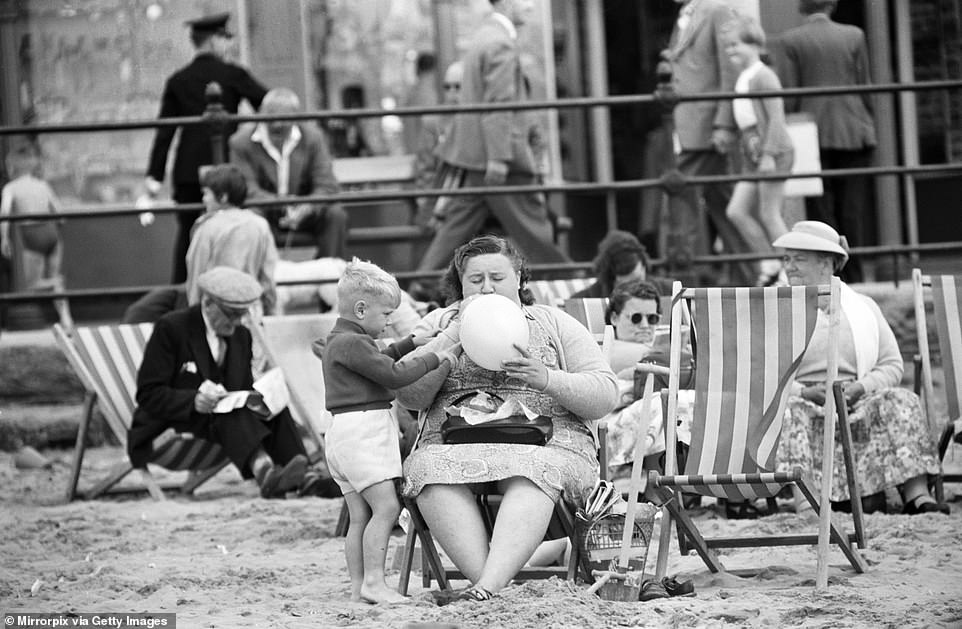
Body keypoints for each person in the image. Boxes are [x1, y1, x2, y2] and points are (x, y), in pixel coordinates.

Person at [397, 235, 619, 601]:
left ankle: (485, 587)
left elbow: (605, 394)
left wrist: (547, 378)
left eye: (497, 278)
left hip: (548, 443)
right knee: (427, 469)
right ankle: (488, 586)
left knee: (532, 471)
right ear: (461, 284)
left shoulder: (553, 322)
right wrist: (453, 337)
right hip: (456, 442)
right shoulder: (441, 324)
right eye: (475, 280)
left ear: (519, 278)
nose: (487, 288)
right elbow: (408, 394)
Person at [772, 221, 948, 515]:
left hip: (856, 397)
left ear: (826, 264)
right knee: (790, 413)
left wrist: (860, 388)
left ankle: (917, 496)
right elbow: (765, 376)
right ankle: (807, 503)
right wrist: (805, 391)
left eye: (799, 258)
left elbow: (892, 365)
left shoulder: (863, 306)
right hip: (804, 400)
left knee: (902, 400)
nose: (790, 267)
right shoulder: (777, 309)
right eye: (787, 259)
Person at [319, 259, 457, 604]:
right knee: (386, 508)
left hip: (341, 435)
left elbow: (378, 358)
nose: (388, 323)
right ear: (361, 309)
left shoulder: (343, 340)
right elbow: (393, 375)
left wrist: (412, 341)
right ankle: (375, 583)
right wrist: (438, 358)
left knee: (359, 515)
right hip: (363, 431)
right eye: (386, 315)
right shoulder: (353, 344)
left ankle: (358, 586)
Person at [127, 266, 310, 499]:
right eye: (231, 314)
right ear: (208, 304)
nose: (237, 322)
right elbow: (147, 393)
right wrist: (194, 401)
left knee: (272, 408)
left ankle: (307, 478)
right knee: (228, 411)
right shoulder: (172, 328)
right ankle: (265, 472)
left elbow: (240, 388)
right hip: (173, 422)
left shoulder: (240, 335)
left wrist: (259, 397)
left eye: (242, 314)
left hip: (220, 423)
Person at [415, 0, 569, 272]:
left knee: (455, 228)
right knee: (536, 231)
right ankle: (573, 282)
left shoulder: (486, 36)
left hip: (478, 158)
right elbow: (499, 103)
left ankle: (420, 287)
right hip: (498, 159)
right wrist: (499, 158)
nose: (532, 7)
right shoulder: (500, 43)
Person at [145, 12, 268, 283]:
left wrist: (154, 177)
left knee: (189, 235)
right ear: (213, 41)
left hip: (188, 173)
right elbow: (269, 105)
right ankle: (234, 290)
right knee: (232, 233)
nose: (227, 45)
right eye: (225, 38)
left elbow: (165, 132)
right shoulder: (233, 74)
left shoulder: (178, 80)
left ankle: (181, 296)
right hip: (227, 170)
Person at [775, 0, 877, 283]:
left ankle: (830, 276)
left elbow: (791, 95)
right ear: (832, 5)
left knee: (821, 211)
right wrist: (868, 123)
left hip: (812, 131)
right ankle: (855, 275)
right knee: (852, 207)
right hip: (853, 129)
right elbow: (865, 86)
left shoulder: (790, 40)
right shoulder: (854, 35)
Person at [663, 0, 752, 285]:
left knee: (681, 198)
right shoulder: (685, 14)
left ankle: (680, 284)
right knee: (725, 205)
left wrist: (725, 124)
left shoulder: (716, 10)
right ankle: (755, 273)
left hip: (707, 127)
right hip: (690, 125)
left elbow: (730, 69)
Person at [229, 88, 348, 260]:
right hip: (265, 211)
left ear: (295, 117)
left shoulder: (313, 138)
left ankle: (329, 279)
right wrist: (283, 205)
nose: (277, 125)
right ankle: (259, 283)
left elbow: (327, 184)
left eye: (283, 120)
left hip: (305, 211)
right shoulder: (240, 142)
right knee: (251, 219)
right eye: (271, 119)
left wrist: (306, 207)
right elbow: (246, 188)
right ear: (261, 113)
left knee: (336, 215)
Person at [722, 15, 794, 286]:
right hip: (753, 154)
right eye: (728, 46)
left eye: (735, 45)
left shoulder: (764, 75)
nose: (730, 51)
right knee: (736, 210)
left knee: (769, 213)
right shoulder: (745, 76)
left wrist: (768, 155)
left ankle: (791, 269)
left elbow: (776, 117)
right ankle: (770, 261)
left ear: (753, 43)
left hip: (770, 152)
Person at [185, 164, 278, 316]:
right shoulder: (260, 224)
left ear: (223, 196)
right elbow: (268, 274)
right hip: (251, 309)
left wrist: (193, 312)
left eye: (206, 194)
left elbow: (196, 270)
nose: (204, 199)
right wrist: (270, 309)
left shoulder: (207, 227)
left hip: (215, 311)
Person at [0, 141, 74, 330]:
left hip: (32, 235)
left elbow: (5, 214)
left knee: (31, 285)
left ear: (13, 166)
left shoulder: (11, 188)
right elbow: (60, 213)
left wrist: (4, 238)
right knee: (53, 277)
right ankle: (66, 318)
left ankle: (55, 285)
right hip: (51, 232)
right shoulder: (42, 185)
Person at [412, 60, 464, 230]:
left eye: (458, 87)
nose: (451, 93)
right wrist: (430, 205)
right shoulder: (433, 122)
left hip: (472, 202)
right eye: (447, 87)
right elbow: (424, 170)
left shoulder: (482, 120)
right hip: (442, 201)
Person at [569, 230, 673, 300]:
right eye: (626, 286)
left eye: (638, 280)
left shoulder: (669, 291)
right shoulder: (586, 301)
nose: (636, 289)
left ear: (644, 266)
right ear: (610, 281)